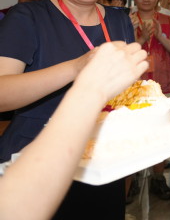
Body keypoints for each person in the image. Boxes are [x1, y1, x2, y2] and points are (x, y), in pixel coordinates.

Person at [0, 0, 135, 219]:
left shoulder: (119, 20)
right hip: (36, 155)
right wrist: (77, 67)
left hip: (104, 157)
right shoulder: (27, 16)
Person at [0, 42, 147, 219]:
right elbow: (14, 209)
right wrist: (85, 82)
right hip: (37, 160)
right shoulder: (24, 24)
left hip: (105, 160)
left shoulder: (119, 24)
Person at [130, 0, 170, 200]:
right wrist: (141, 38)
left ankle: (158, 177)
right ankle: (132, 178)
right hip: (133, 87)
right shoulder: (126, 19)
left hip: (163, 85)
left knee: (161, 133)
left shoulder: (166, 18)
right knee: (133, 133)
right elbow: (119, 54)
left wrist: (160, 37)